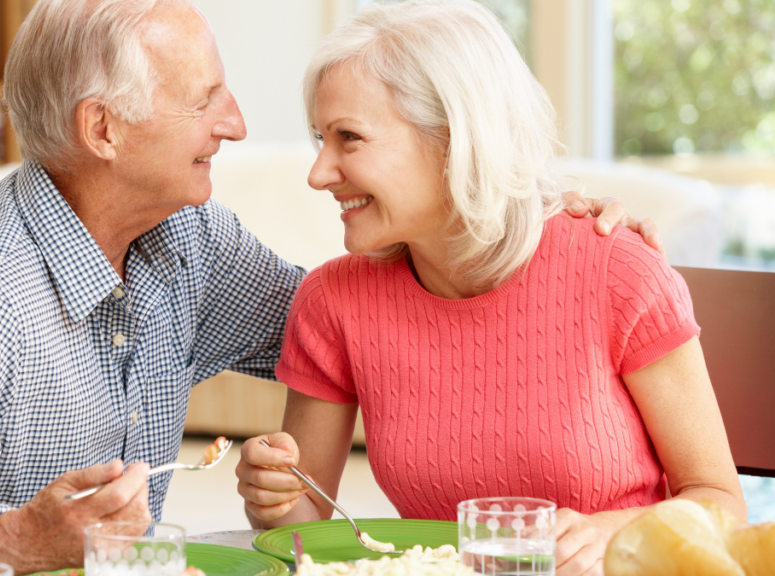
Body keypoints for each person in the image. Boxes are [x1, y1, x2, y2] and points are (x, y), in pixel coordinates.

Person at [0, 0, 652, 570]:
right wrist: (16, 539)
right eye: (207, 99)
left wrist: (515, 222)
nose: (235, 124)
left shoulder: (186, 242)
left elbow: (363, 325)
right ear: (104, 129)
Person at [235, 2, 747, 576]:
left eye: (349, 138)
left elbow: (721, 504)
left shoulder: (618, 273)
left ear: (455, 139)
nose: (319, 172)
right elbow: (308, 528)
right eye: (319, 139)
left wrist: (613, 530)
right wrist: (273, 495)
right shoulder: (334, 302)